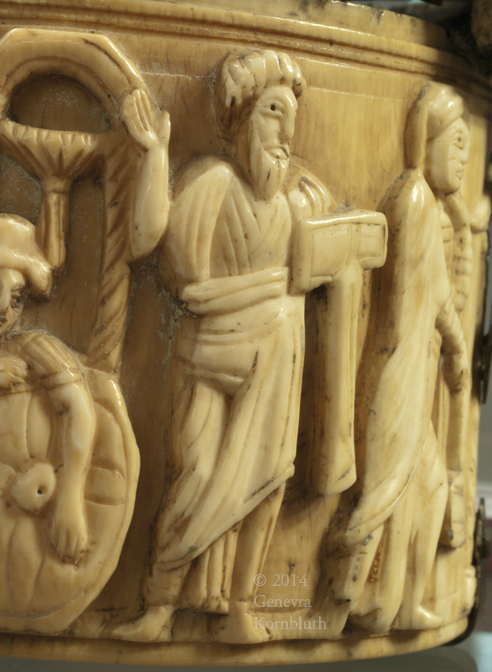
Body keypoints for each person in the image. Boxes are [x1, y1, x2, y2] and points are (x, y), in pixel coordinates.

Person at [113, 49, 387, 643]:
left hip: (275, 361)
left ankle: (240, 607)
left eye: (292, 120)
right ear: (240, 119)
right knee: (195, 476)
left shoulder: (298, 203)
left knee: (267, 480)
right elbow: (151, 251)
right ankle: (159, 606)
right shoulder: (211, 184)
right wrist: (155, 154)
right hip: (206, 357)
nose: (285, 136)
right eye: (273, 113)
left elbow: (335, 260)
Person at [321, 83, 472, 633]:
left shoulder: (428, 202)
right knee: (382, 496)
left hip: (413, 371)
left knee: (425, 490)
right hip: (398, 371)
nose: (464, 158)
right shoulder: (415, 201)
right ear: (425, 141)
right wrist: (457, 344)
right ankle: (334, 607)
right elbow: (431, 294)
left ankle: (397, 605)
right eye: (456, 143)